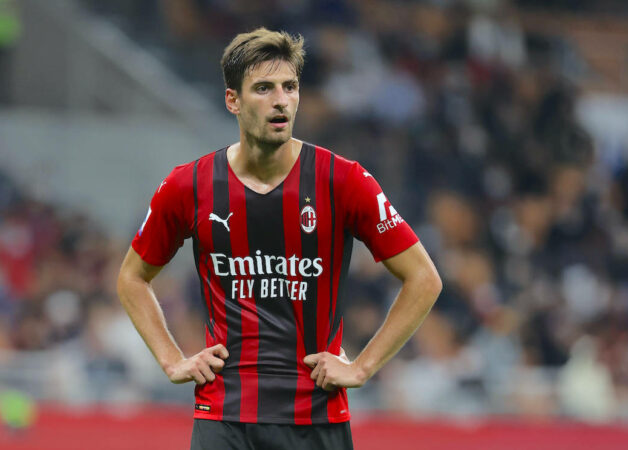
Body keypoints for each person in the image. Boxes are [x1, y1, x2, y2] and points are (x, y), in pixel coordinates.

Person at [116, 27, 442, 450]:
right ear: (233, 100)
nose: (281, 100)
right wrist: (170, 359)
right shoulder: (188, 185)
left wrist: (362, 367)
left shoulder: (343, 180)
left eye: (290, 87)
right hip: (225, 417)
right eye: (264, 88)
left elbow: (424, 278)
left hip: (315, 416)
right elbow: (132, 277)